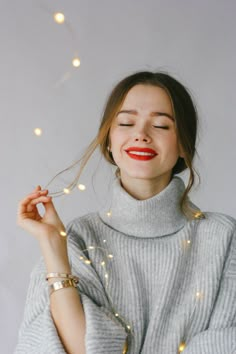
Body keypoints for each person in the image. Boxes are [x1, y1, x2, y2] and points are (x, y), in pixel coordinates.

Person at [15, 71, 236, 354]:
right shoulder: (76, 240)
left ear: (183, 144)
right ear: (108, 139)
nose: (141, 135)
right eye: (126, 122)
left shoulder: (225, 238)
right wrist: (54, 251)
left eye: (161, 125)